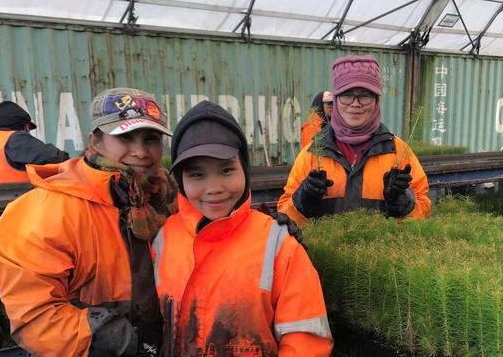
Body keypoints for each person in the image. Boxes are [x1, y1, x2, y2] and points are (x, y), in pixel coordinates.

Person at [0, 88, 178, 356]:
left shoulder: (169, 199)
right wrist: (128, 343)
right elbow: (37, 319)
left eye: (151, 139)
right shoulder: (48, 213)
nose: (141, 151)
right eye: (125, 137)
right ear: (95, 143)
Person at [153, 101, 333, 356]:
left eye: (226, 170)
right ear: (180, 180)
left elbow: (306, 342)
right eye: (197, 175)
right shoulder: (163, 238)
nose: (214, 187)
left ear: (245, 170)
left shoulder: (279, 245)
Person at [278, 54, 431, 227]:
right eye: (346, 94)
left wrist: (404, 202)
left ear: (376, 100)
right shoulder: (312, 154)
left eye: (365, 95)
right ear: (336, 100)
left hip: (384, 253)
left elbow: (423, 213)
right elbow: (285, 218)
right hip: (324, 254)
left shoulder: (399, 152)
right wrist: (301, 200)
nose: (355, 104)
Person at [0, 101, 70, 183]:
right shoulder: (16, 140)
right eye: (28, 128)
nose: (29, 133)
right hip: (20, 199)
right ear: (24, 127)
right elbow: (55, 157)